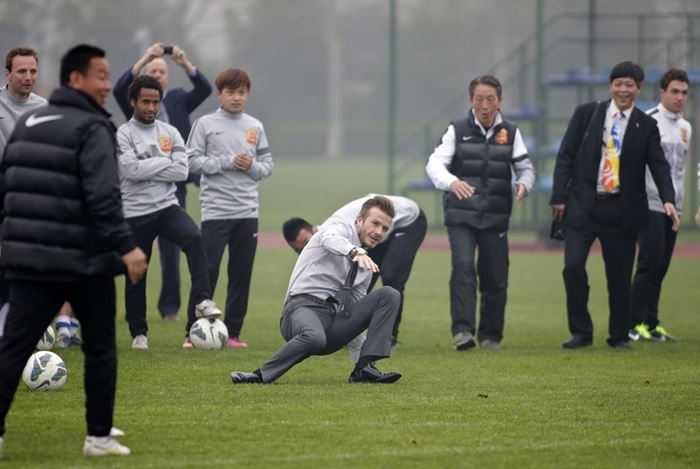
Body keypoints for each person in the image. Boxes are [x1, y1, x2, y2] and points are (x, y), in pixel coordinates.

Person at [0, 44, 147, 457]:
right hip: (84, 261)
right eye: (100, 76)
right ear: (75, 80)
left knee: (13, 347)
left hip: (30, 261)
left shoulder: (29, 120)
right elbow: (104, 197)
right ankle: (97, 437)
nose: (106, 84)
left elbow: (7, 185)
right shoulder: (92, 126)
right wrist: (126, 246)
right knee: (101, 347)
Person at [550, 61, 679, 350]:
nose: (623, 89)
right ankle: (581, 332)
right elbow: (566, 156)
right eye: (618, 84)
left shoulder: (647, 125)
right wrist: (559, 196)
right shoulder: (587, 114)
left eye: (629, 85)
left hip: (622, 210)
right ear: (611, 86)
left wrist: (668, 199)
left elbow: (658, 166)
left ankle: (618, 335)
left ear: (638, 89)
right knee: (572, 267)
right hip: (584, 205)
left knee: (619, 276)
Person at [231, 196, 402, 384]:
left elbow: (354, 314)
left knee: (389, 295)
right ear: (359, 220)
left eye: (384, 228)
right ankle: (260, 375)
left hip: (331, 323)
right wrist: (355, 251)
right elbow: (329, 239)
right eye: (375, 223)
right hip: (299, 310)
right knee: (314, 337)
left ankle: (364, 369)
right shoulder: (338, 229)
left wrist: (359, 360)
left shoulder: (364, 265)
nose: (379, 232)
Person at [426, 74, 535, 351]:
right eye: (478, 99)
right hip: (461, 215)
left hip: (496, 216)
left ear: (500, 101)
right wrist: (452, 182)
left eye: (490, 99)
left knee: (495, 275)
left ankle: (491, 336)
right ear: (470, 101)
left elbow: (525, 167)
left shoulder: (510, 132)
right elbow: (435, 164)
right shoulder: (457, 129)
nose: (484, 105)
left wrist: (524, 183)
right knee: (463, 267)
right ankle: (462, 332)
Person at [116, 75, 222, 350]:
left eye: (155, 102)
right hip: (135, 212)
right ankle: (139, 333)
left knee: (194, 239)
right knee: (137, 272)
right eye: (145, 102)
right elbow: (130, 170)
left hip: (166, 207)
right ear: (133, 102)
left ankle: (201, 299)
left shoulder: (170, 132)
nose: (151, 107)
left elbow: (182, 171)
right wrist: (164, 162)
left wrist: (148, 165)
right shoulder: (123, 134)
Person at [187, 68, 272, 349]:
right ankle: (192, 332)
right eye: (231, 92)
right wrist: (227, 161)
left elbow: (267, 167)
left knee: (241, 274)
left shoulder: (255, 126)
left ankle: (233, 333)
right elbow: (191, 162)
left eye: (242, 92)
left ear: (248, 94)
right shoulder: (205, 124)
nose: (237, 98)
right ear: (219, 94)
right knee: (207, 271)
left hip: (248, 212)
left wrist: (252, 167)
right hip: (216, 211)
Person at [282, 194, 427, 346]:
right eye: (300, 250)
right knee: (361, 279)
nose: (306, 248)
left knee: (391, 276)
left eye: (306, 241)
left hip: (410, 220)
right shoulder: (334, 235)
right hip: (378, 230)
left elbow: (336, 244)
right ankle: (350, 336)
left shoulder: (337, 228)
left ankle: (389, 336)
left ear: (313, 229)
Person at [628, 69, 692, 342]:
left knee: (661, 267)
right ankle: (632, 325)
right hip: (651, 205)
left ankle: (651, 323)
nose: (680, 97)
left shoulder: (686, 128)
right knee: (648, 264)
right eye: (674, 91)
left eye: (684, 93)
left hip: (673, 208)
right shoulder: (647, 121)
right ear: (662, 92)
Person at [0, 46, 47, 342]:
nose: (28, 77)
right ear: (7, 74)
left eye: (32, 71)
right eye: (21, 71)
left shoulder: (43, 107)